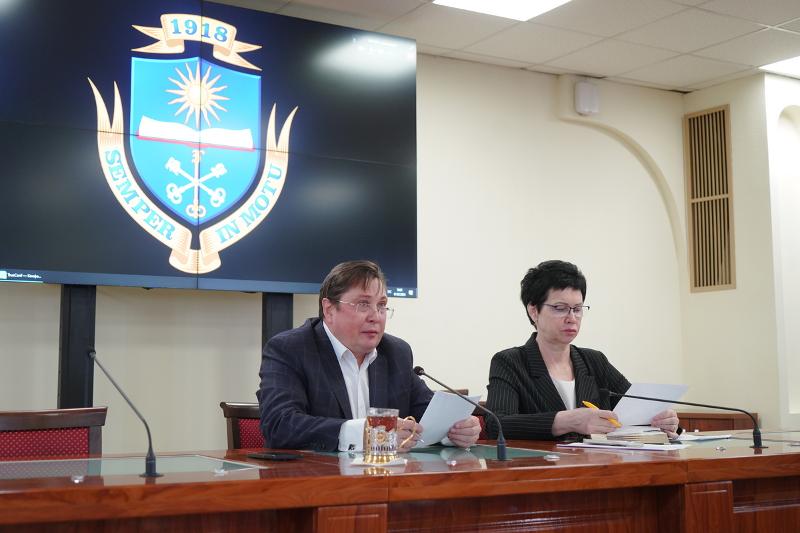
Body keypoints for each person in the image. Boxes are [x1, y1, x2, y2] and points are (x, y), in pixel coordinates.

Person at [258, 260, 481, 452]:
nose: (376, 316)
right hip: (315, 481)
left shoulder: (396, 352)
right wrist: (366, 433)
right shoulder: (291, 348)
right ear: (329, 310)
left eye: (382, 305)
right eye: (363, 304)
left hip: (386, 480)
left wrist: (455, 430)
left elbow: (426, 414)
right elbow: (279, 425)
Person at [485, 260, 679, 441]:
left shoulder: (594, 361)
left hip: (596, 464)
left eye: (577, 309)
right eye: (560, 308)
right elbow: (496, 424)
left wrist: (663, 421)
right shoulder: (510, 362)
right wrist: (569, 420)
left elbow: (638, 409)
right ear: (534, 311)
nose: (572, 318)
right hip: (542, 464)